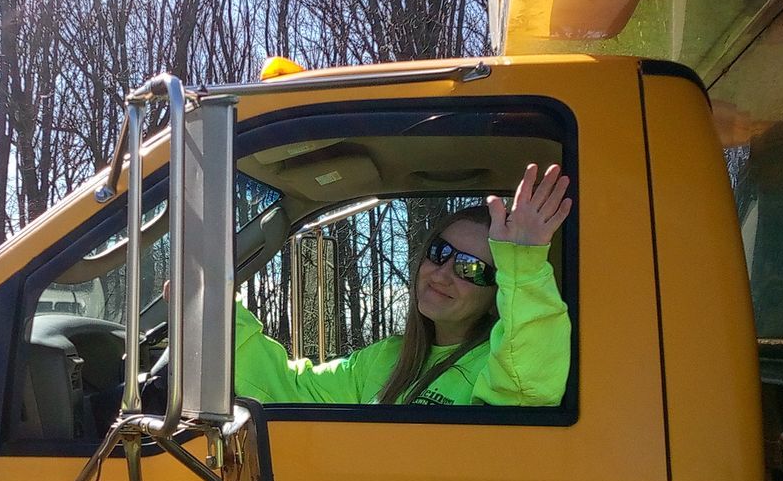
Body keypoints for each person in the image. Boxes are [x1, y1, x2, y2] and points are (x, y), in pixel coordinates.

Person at [234, 164, 572, 407]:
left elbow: (527, 389)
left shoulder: (502, 366)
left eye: (471, 268)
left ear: (497, 292)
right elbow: (292, 389)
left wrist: (525, 264)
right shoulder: (386, 358)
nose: (443, 273)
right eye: (440, 252)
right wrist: (212, 308)